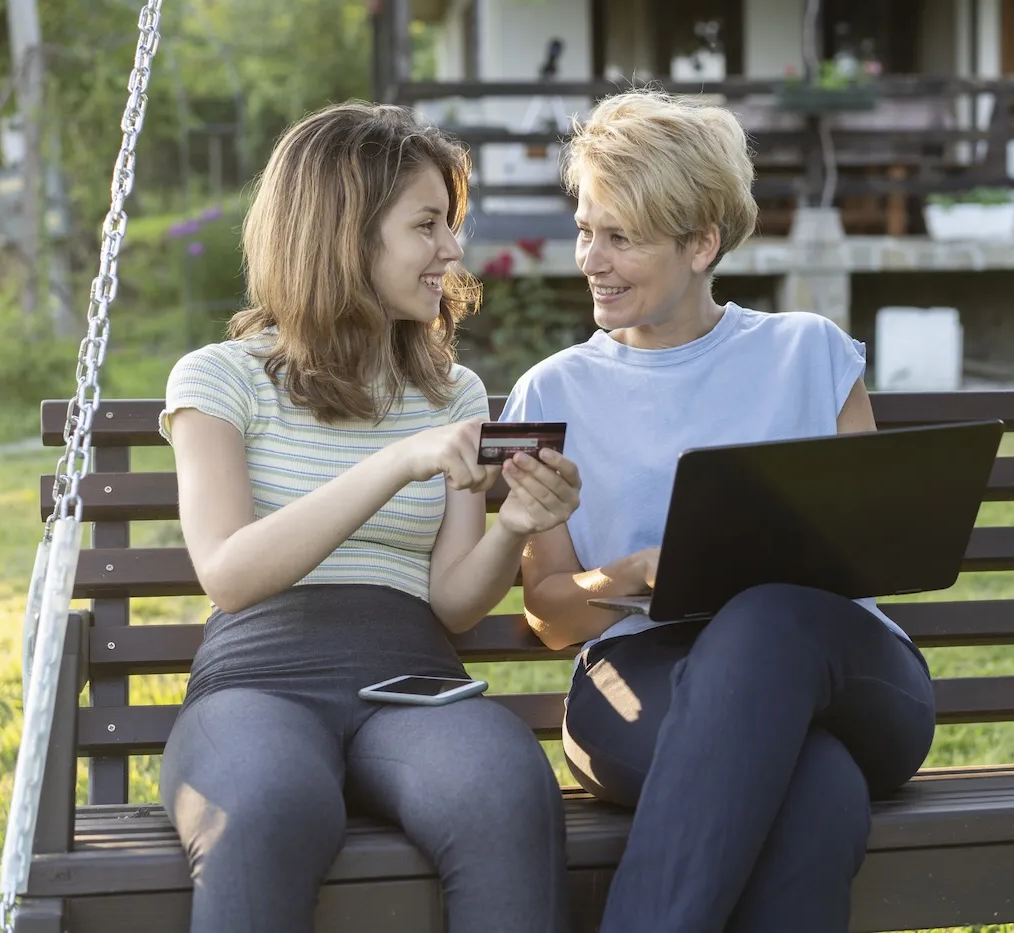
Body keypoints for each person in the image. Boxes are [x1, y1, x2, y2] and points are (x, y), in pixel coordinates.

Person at [500, 90, 937, 933]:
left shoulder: (808, 352)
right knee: (815, 789)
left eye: (620, 238)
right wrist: (633, 571)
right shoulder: (551, 393)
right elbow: (550, 615)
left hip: (843, 665)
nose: (591, 258)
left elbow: (875, 549)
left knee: (769, 617)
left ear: (702, 244)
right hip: (646, 678)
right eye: (587, 229)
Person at [156, 102, 581, 933]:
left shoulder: (450, 393)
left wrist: (517, 523)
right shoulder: (221, 379)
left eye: (450, 225)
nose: (452, 250)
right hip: (257, 685)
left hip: (413, 683)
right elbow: (230, 572)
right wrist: (393, 462)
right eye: (427, 224)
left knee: (505, 787)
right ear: (345, 233)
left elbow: (455, 601)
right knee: (270, 806)